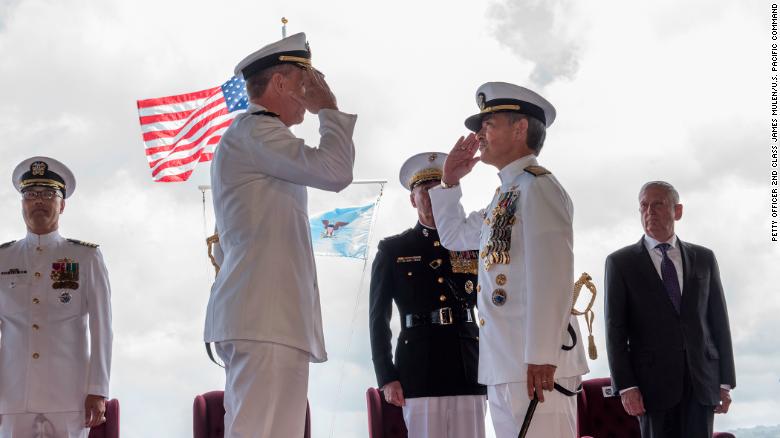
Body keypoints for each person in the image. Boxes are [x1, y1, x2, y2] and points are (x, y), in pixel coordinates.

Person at [204, 32, 357, 438]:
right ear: (280, 83)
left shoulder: (257, 136)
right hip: (264, 317)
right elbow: (335, 171)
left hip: (270, 316)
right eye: (306, 82)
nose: (313, 91)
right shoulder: (256, 132)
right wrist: (329, 110)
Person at [428, 82, 589, 438]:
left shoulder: (539, 187)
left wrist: (543, 355)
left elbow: (553, 276)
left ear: (520, 129)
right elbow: (454, 238)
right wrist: (449, 181)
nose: (479, 134)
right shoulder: (506, 194)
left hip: (535, 363)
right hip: (506, 361)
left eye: (489, 124)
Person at [604, 181, 736, 438]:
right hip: (652, 387)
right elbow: (614, 331)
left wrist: (724, 381)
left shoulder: (704, 258)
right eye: (644, 205)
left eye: (658, 204)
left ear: (677, 211)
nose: (649, 211)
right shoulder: (620, 263)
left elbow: (719, 321)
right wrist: (626, 386)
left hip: (702, 383)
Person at [369, 152, 487, 438]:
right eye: (425, 191)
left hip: (468, 367)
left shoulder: (472, 244)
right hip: (419, 369)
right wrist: (387, 377)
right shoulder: (394, 250)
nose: (433, 198)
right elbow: (378, 320)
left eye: (439, 191)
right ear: (413, 199)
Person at [0, 156, 113, 438]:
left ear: (62, 205)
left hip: (69, 395)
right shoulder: (3, 258)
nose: (38, 200)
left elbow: (102, 328)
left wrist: (97, 388)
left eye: (49, 194)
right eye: (30, 194)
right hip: (13, 395)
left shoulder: (84, 257)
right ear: (22, 204)